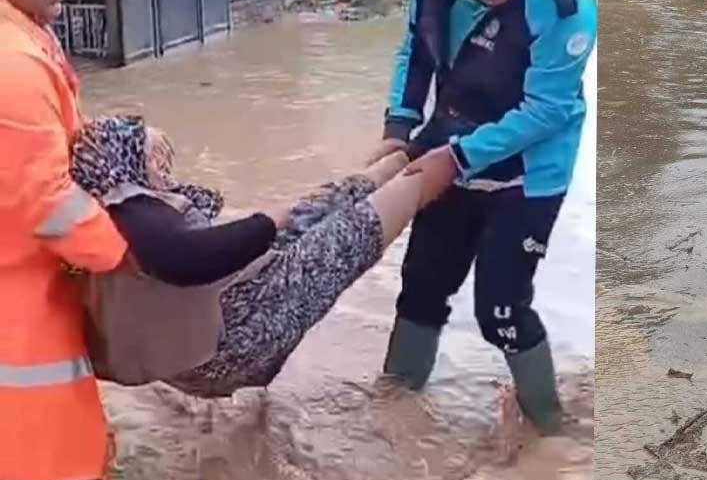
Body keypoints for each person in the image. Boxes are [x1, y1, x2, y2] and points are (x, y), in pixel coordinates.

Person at [366, 0, 597, 435]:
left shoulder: (566, 7)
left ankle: (550, 432)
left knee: (501, 311)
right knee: (421, 285)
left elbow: (545, 111)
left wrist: (458, 156)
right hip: (451, 142)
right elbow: (417, 52)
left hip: (527, 174)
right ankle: (392, 412)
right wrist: (400, 126)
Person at [66, 115, 450, 399]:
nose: (164, 170)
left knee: (325, 204)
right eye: (154, 159)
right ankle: (451, 158)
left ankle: (408, 157)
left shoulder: (92, 209)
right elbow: (182, 257)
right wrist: (268, 221)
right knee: (355, 231)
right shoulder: (130, 208)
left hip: (213, 335)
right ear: (126, 163)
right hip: (238, 332)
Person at [0, 0, 131, 480]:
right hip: (21, 305)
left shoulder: (26, 40)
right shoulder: (13, 63)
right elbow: (44, 200)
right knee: (37, 465)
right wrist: (122, 251)